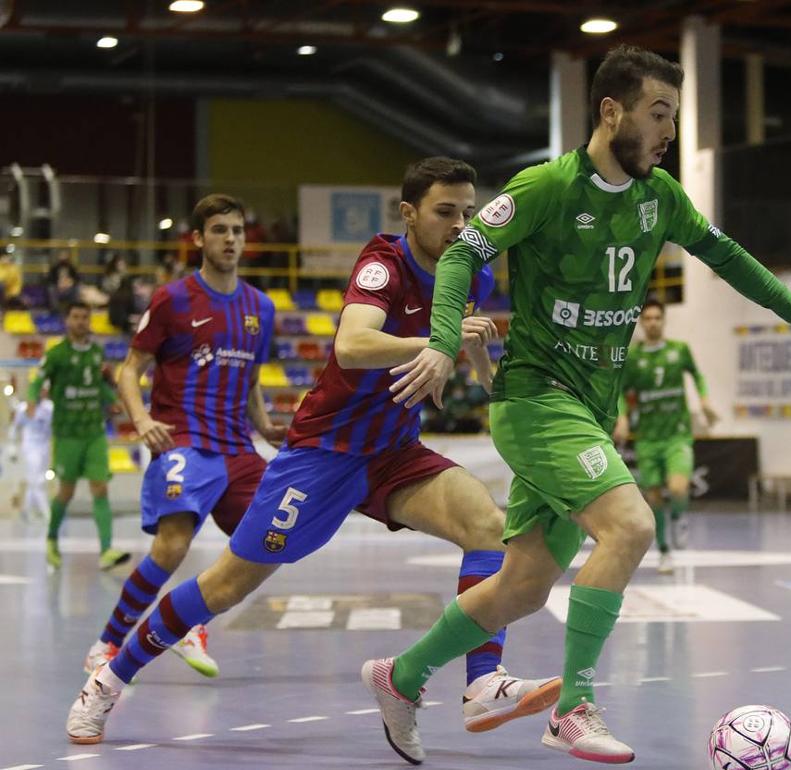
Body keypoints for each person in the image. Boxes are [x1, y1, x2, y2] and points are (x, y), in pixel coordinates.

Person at [383, 45, 791, 764]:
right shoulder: (545, 187)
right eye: (658, 113)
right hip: (538, 399)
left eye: (673, 114)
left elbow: (726, 256)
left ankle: (401, 676)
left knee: (520, 587)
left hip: (592, 411)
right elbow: (459, 255)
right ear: (612, 112)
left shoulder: (658, 196)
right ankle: (573, 707)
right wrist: (444, 340)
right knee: (631, 524)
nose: (668, 131)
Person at [66, 160, 561, 759]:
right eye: (444, 212)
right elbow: (352, 347)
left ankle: (480, 683)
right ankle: (109, 679)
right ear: (408, 214)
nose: (460, 225)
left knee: (488, 528)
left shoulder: (471, 275)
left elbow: (465, 360)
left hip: (394, 452)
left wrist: (481, 362)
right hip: (323, 454)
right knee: (223, 585)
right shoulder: (384, 264)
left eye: (467, 211)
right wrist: (438, 340)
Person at [76, 193, 283, 681]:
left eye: (236, 230)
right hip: (185, 441)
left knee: (269, 543)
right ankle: (106, 644)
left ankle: (192, 621)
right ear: (198, 239)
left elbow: (251, 376)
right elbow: (131, 370)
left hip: (238, 447)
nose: (230, 239)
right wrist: (141, 419)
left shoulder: (262, 307)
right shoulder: (173, 299)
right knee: (171, 548)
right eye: (219, 230)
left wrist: (264, 424)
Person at [613, 299, 716, 574]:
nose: (652, 322)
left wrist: (704, 401)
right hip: (647, 438)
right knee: (655, 497)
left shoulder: (679, 350)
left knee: (680, 488)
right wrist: (622, 417)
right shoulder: (633, 358)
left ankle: (680, 517)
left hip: (677, 435)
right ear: (641, 322)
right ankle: (664, 551)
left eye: (657, 317)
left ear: (664, 320)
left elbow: (697, 375)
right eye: (647, 318)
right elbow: (620, 391)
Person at [35, 301, 130, 569]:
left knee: (100, 487)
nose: (80, 322)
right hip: (67, 434)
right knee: (65, 491)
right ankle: (52, 540)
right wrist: (32, 399)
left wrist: (112, 399)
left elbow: (98, 386)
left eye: (85, 317)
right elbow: (37, 381)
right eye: (75, 317)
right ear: (67, 320)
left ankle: (107, 550)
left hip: (94, 432)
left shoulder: (97, 354)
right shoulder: (56, 355)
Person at [9, 385, 53, 522]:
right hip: (30, 447)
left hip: (44, 447)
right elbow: (15, 427)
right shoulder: (23, 408)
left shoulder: (49, 408)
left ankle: (28, 511)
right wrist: (12, 446)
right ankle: (48, 514)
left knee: (36, 481)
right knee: (36, 482)